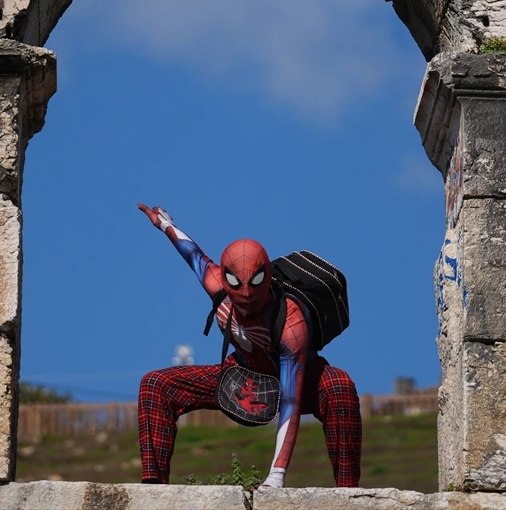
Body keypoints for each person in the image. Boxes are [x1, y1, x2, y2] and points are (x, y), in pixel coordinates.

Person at [135, 204, 362, 488]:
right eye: (237, 286)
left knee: (338, 387)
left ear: (267, 277)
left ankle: (348, 493)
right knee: (156, 384)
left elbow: (290, 401)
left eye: (254, 285)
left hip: (292, 378)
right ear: (226, 281)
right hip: (241, 373)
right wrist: (164, 224)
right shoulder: (216, 284)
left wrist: (275, 478)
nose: (246, 296)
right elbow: (192, 253)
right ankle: (153, 489)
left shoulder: (291, 325)